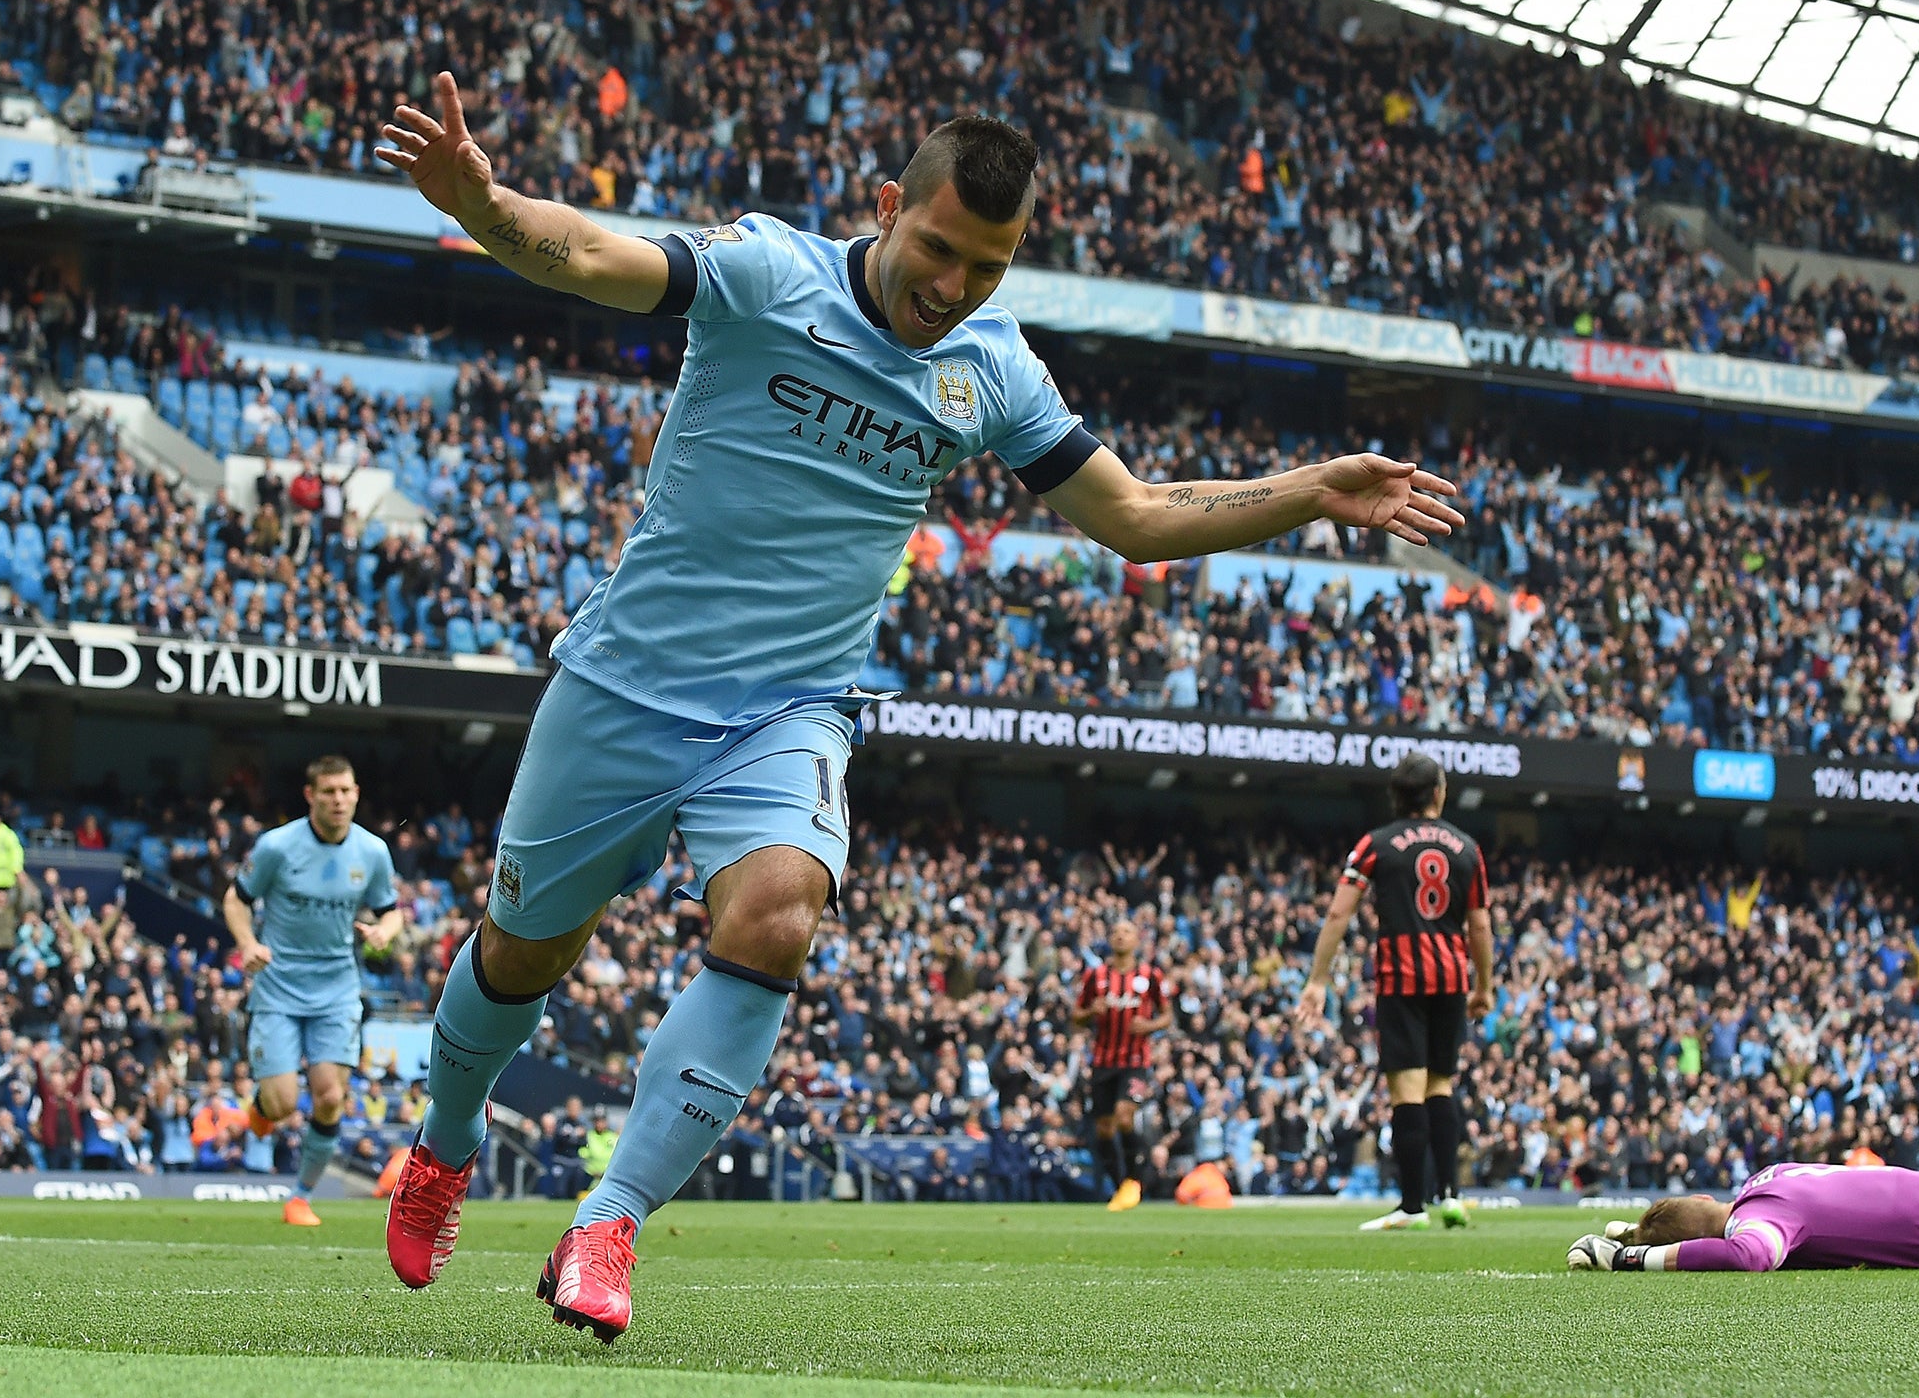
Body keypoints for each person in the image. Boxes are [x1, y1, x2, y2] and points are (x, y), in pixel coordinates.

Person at [373, 72, 1464, 1342]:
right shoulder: (766, 273)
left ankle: (606, 1222)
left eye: (987, 267)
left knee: (779, 917)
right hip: (622, 683)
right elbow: (593, 256)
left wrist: (1309, 489)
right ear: (887, 207)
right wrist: (486, 205)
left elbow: (1136, 520)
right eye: (937, 249)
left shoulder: (992, 372)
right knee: (524, 956)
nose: (952, 287)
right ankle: (445, 1147)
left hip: (788, 709)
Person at [1296, 753, 1492, 1232]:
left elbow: (1340, 914)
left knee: (1407, 1089)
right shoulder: (1467, 847)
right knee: (1441, 1084)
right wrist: (1483, 985)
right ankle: (1449, 1195)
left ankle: (1410, 1207)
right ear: (1439, 793)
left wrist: (1318, 979)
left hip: (1401, 978)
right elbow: (1480, 924)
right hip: (1450, 977)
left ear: (1396, 796)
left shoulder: (1375, 844)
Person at [222, 756, 400, 1227]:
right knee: (281, 1102)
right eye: (329, 792)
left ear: (356, 793)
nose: (338, 800)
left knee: (328, 1097)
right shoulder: (277, 847)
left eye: (346, 791)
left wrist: (385, 931)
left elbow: (392, 910)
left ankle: (299, 1197)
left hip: (338, 989)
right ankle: (262, 1111)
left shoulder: (373, 852)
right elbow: (235, 899)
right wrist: (247, 944)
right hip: (279, 986)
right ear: (310, 796)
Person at [1567, 1162, 1919, 1271]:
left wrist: (1631, 1259)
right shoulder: (1767, 1177)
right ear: (1701, 1197)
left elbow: (1747, 1257)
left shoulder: (1765, 1219)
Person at [1073, 919, 1174, 1212]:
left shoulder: (1150, 976)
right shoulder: (1096, 976)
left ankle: (1135, 1179)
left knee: (1124, 1115)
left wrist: (1150, 1025)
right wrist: (1091, 1011)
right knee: (1104, 1128)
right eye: (1115, 931)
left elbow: (1167, 1015)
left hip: (1135, 1060)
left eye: (1126, 931)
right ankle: (1122, 1186)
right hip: (1103, 1060)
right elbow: (1076, 1015)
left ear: (1137, 940)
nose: (1120, 935)